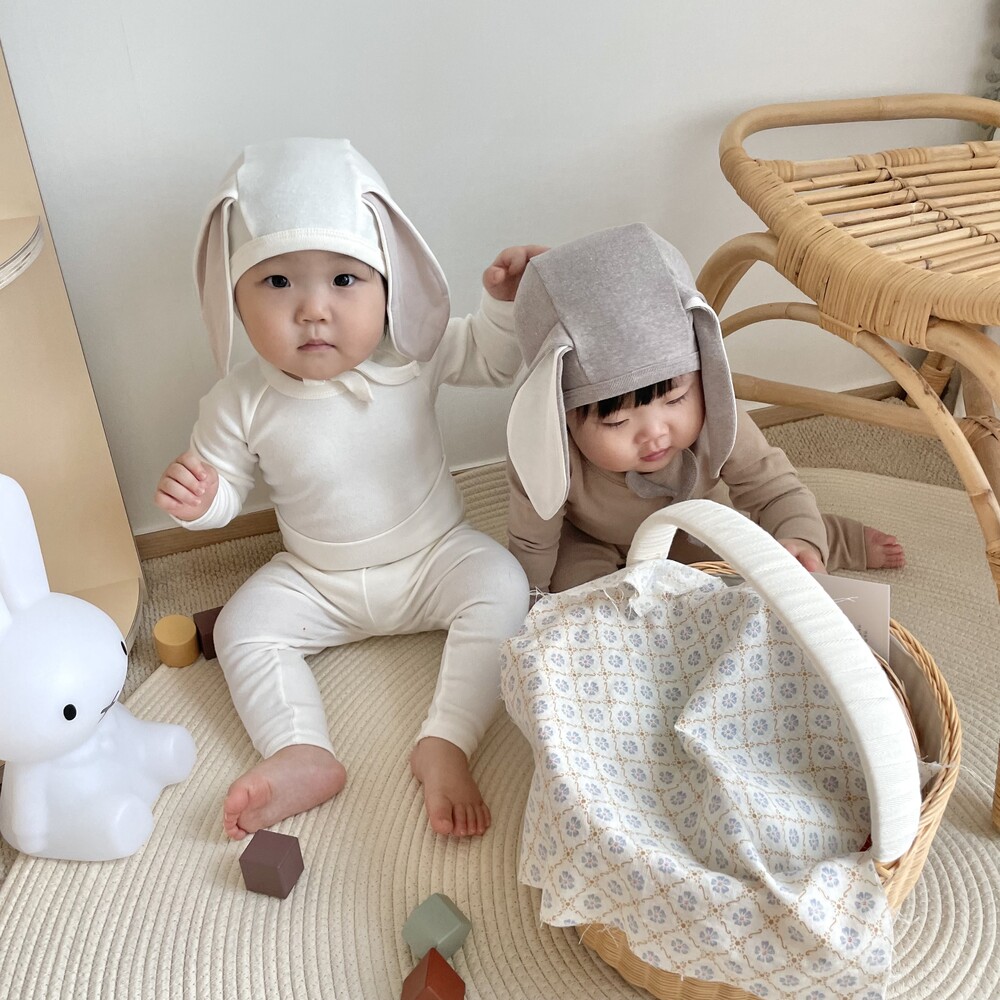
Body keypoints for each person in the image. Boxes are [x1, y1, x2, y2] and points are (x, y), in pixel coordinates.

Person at [155, 137, 542, 840]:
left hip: (434, 557)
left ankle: (447, 740)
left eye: (344, 279)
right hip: (317, 579)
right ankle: (300, 749)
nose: (312, 309)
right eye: (278, 282)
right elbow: (227, 488)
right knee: (243, 626)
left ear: (390, 285)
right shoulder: (239, 399)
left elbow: (493, 360)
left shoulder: (414, 352)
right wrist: (201, 502)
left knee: (504, 585)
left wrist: (503, 306)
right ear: (235, 302)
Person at [505, 223, 905, 594]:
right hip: (592, 538)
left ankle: (831, 537)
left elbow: (772, 489)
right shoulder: (544, 452)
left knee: (746, 564)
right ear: (561, 416)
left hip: (691, 525)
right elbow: (532, 542)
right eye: (617, 421)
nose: (655, 433)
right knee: (584, 600)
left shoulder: (716, 414)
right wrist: (531, 605)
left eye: (675, 399)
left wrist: (799, 538)